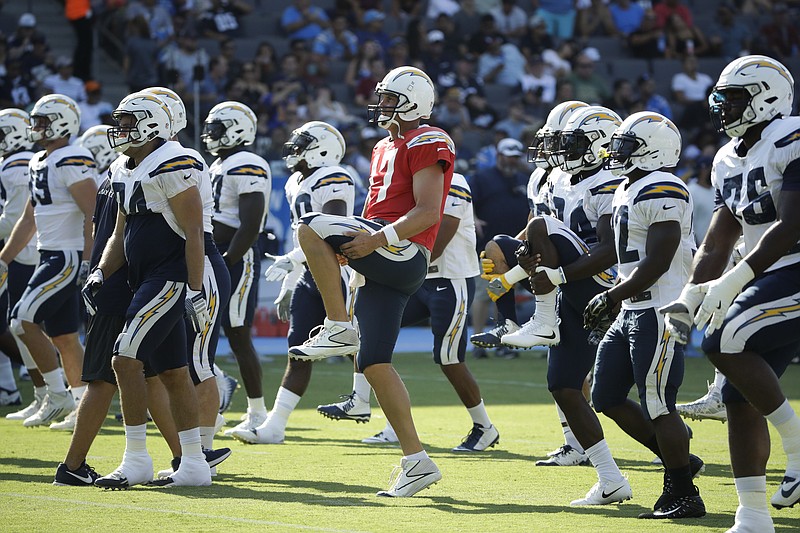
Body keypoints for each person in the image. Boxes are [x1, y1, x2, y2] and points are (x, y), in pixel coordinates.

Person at [287, 66, 453, 497]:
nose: (382, 105)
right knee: (375, 362)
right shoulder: (384, 146)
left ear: (414, 101)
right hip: (385, 256)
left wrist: (375, 239)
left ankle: (338, 325)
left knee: (309, 225)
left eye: (391, 98)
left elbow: (428, 211)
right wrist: (352, 252)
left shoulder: (428, 139)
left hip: (404, 250)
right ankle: (416, 461)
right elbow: (375, 209)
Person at [660, 55, 800, 531]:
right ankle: (753, 515)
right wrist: (691, 295)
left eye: (733, 97)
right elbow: (719, 239)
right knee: (740, 397)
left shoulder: (791, 136)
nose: (722, 107)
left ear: (767, 96)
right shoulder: (726, 159)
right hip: (769, 273)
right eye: (720, 97)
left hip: (794, 264)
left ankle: (798, 448)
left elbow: (792, 224)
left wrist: (734, 282)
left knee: (724, 339)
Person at [318, 172, 500, 452]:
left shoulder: (454, 182)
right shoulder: (402, 186)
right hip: (414, 280)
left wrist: (393, 266)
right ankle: (368, 406)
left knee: (448, 357)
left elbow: (439, 240)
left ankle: (484, 427)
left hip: (449, 279)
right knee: (373, 334)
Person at [88, 92, 210, 489]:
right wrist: (101, 273)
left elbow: (194, 231)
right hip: (145, 277)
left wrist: (194, 289)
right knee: (174, 372)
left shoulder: (174, 162)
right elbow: (121, 232)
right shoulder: (126, 165)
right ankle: (193, 465)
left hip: (170, 275)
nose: (120, 130)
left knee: (124, 358)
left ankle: (136, 459)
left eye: (128, 122)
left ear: (153, 124)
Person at [586, 111, 705, 519]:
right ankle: (680, 460)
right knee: (606, 395)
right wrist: (620, 298)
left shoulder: (663, 186)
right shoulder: (629, 186)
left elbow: (657, 260)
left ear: (654, 149)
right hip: (636, 306)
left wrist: (611, 296)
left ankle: (683, 492)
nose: (617, 152)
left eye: (627, 145)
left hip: (661, 307)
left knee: (658, 402)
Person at [228, 121, 354, 444]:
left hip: (338, 276)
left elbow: (332, 232)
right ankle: (275, 426)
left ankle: (373, 409)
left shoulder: (334, 177)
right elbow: (306, 239)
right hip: (311, 277)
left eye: (303, 142)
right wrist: (290, 281)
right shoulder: (296, 182)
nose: (294, 148)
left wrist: (293, 260)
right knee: (299, 351)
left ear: (323, 149)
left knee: (366, 354)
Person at [0, 94, 97, 429]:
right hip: (49, 253)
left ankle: (56, 394)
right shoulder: (39, 160)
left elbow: (93, 214)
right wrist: (4, 258)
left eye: (44, 121)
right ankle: (81, 402)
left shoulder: (72, 157)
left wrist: (87, 261)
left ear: (63, 123)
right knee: (65, 336)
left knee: (20, 320)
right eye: (36, 121)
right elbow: (28, 219)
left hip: (66, 255)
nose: (37, 127)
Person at [200, 101, 272, 437]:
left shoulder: (247, 162)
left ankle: (257, 412)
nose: (210, 134)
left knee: (238, 334)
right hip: (216, 254)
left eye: (217, 128)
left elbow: (250, 222)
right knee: (201, 326)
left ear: (237, 129)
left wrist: (227, 259)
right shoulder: (219, 163)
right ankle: (215, 386)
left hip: (236, 258)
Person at [0, 109, 41, 415]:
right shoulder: (17, 162)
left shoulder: (17, 165)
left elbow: (14, 220)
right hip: (22, 251)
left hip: (22, 253)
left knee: (17, 323)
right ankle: (13, 387)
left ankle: (55, 385)